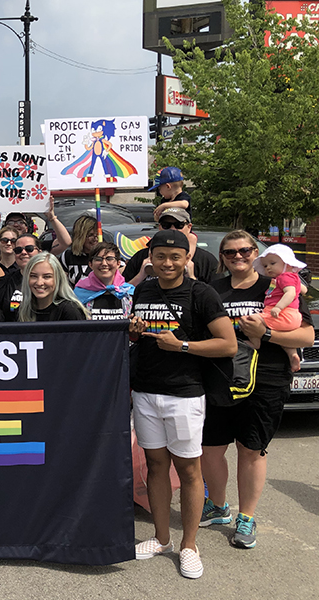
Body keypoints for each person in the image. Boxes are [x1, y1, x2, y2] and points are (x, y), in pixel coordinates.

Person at [128, 228, 237, 580]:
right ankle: (161, 538)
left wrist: (184, 347)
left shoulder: (201, 293)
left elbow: (228, 344)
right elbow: (141, 334)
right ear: (152, 258)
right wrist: (134, 330)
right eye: (161, 256)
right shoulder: (143, 288)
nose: (168, 263)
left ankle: (189, 545)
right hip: (145, 390)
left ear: (187, 258)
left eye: (175, 256)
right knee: (155, 467)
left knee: (189, 470)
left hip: (185, 393)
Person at [201, 232, 314, 550]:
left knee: (250, 450)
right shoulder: (213, 289)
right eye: (230, 252)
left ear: (257, 254)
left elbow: (306, 336)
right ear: (222, 257)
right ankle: (219, 507)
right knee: (210, 449)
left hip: (266, 379)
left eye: (245, 250)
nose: (238, 256)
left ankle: (246, 517)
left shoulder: (276, 284)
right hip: (219, 378)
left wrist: (266, 335)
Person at [123, 208, 218, 286]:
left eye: (179, 225)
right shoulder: (141, 256)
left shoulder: (206, 260)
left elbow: (216, 297)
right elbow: (122, 294)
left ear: (189, 227)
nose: (173, 229)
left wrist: (191, 278)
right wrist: (141, 275)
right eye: (166, 225)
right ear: (160, 227)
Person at [250, 244, 306, 370]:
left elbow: (290, 293)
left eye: (272, 263)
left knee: (251, 320)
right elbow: (304, 290)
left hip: (283, 313)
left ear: (288, 264)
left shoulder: (284, 277)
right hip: (293, 316)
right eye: (265, 266)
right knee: (283, 339)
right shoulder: (292, 277)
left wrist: (278, 307)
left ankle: (255, 343)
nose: (268, 268)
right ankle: (292, 355)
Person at [17, 252, 88, 322]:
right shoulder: (23, 309)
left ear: (58, 278)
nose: (39, 283)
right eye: (33, 276)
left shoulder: (70, 310)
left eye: (47, 277)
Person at [73, 242, 135, 320]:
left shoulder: (129, 292)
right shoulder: (78, 294)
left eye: (109, 259)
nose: (104, 263)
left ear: (118, 263)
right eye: (98, 259)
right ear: (90, 264)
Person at [0, 234, 42, 321]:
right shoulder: (4, 282)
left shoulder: (52, 281)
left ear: (40, 252)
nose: (23, 253)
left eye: (29, 249)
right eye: (18, 250)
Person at [58, 215, 98, 287]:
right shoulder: (67, 256)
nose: (95, 239)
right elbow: (60, 284)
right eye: (91, 235)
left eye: (98, 235)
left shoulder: (107, 257)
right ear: (80, 236)